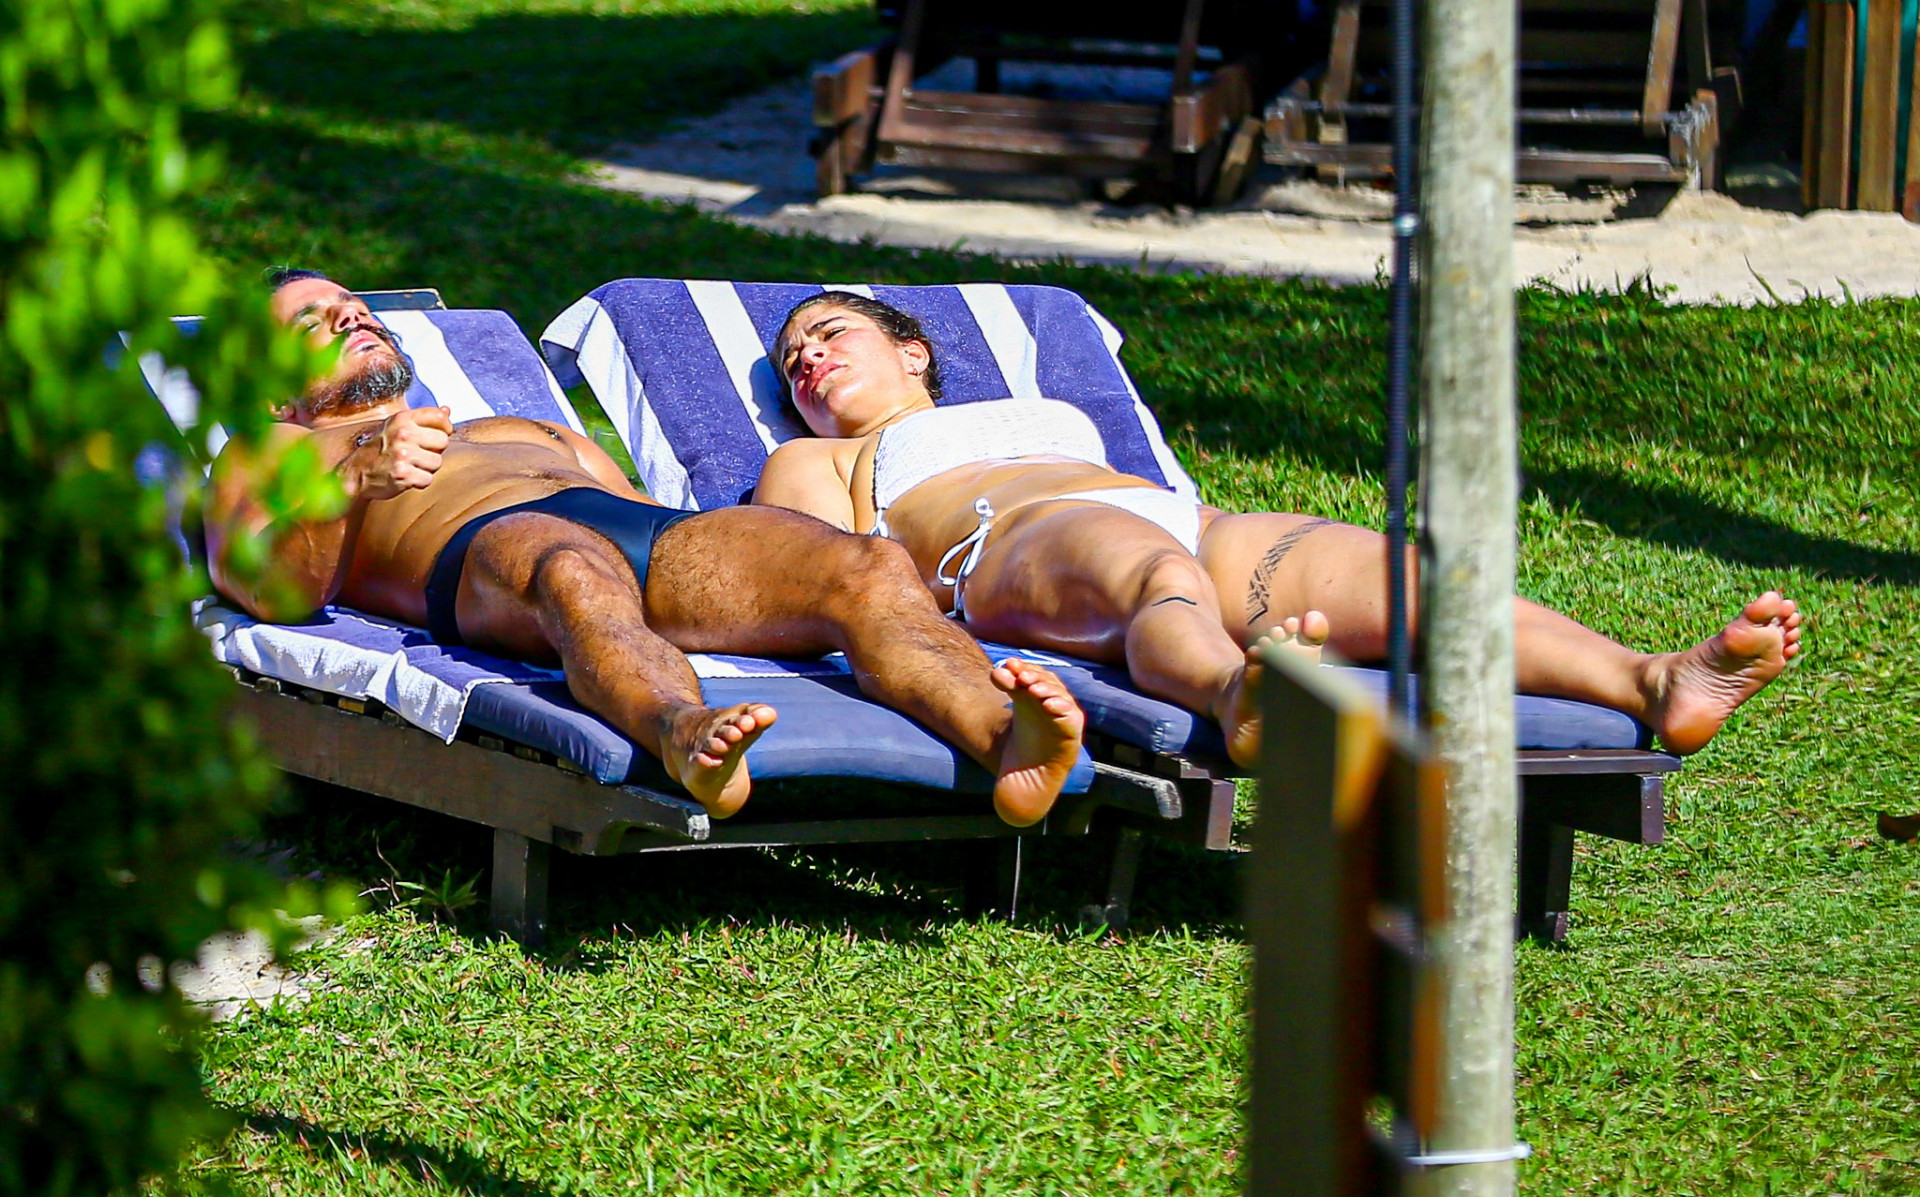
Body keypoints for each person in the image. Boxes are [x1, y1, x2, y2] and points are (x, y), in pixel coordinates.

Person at [754, 291, 1804, 768]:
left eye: (829, 334)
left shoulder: (1031, 405)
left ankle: (1651, 682)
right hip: (1010, 543)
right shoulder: (819, 460)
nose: (809, 361)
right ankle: (1233, 694)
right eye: (794, 362)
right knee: (1152, 577)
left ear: (914, 351)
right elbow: (815, 574)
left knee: (1404, 580)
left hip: (1194, 521)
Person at [204, 271, 1085, 825]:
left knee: (864, 566)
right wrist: (356, 474)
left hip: (642, 536)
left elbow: (651, 525)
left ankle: (1001, 737)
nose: (353, 319)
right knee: (569, 567)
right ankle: (680, 730)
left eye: (357, 310)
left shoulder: (515, 424)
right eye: (317, 323)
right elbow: (264, 588)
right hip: (491, 556)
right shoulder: (271, 447)